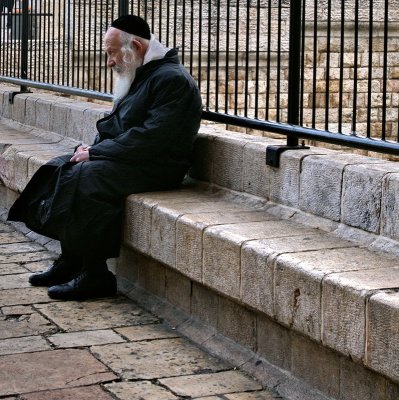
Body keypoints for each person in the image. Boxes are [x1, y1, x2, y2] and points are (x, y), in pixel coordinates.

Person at [7, 15, 203, 301]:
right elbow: (121, 126)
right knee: (61, 166)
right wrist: (91, 149)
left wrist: (97, 152)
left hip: (158, 165)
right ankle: (72, 260)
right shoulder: (143, 72)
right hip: (131, 158)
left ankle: (96, 274)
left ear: (135, 46)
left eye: (112, 53)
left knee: (86, 178)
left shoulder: (171, 79)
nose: (110, 61)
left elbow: (153, 138)